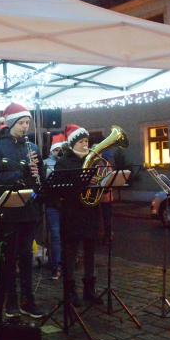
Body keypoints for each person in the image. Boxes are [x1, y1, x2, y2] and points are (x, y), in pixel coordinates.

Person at [0, 102, 45, 318]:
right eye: (21, 122)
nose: (25, 127)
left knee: (26, 256)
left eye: (27, 123)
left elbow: (39, 173)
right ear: (11, 123)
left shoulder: (32, 147)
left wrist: (38, 182)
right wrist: (20, 172)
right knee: (10, 257)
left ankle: (28, 298)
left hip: (30, 209)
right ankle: (10, 300)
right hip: (11, 210)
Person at [55, 124, 102, 307]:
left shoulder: (93, 160)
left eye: (87, 141)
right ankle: (70, 291)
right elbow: (60, 188)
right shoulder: (64, 163)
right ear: (73, 143)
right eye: (82, 141)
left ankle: (89, 289)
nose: (85, 144)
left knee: (90, 251)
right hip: (72, 212)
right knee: (70, 252)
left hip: (90, 211)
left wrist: (99, 181)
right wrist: (82, 181)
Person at [44, 133, 66, 280]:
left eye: (61, 150)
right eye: (57, 150)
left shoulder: (65, 162)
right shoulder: (46, 163)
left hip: (65, 204)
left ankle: (66, 263)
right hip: (52, 203)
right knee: (56, 235)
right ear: (52, 150)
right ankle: (56, 265)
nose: (59, 153)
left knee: (65, 235)